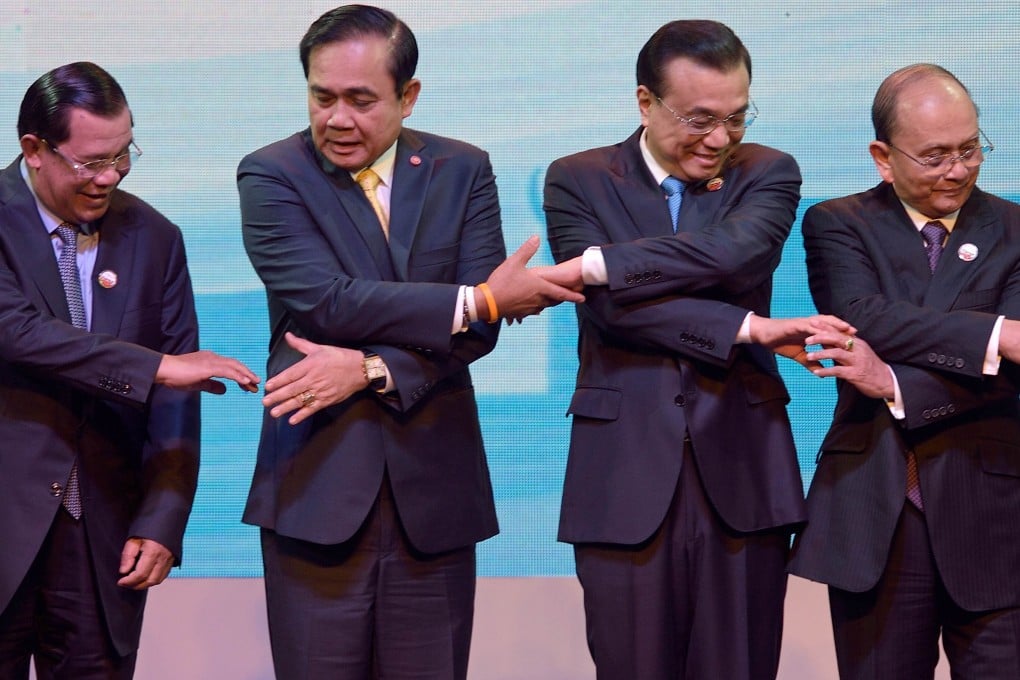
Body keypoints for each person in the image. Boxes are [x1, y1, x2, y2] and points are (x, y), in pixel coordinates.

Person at [236, 5, 582, 678]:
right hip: (318, 485)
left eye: (361, 101)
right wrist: (476, 299)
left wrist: (369, 368)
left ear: (408, 96)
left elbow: (478, 333)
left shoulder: (462, 168)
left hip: (435, 488)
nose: (338, 119)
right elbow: (326, 304)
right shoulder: (272, 174)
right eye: (322, 96)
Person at [542, 20, 854, 680]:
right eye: (700, 119)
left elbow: (738, 254)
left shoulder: (768, 170)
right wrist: (745, 328)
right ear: (645, 103)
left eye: (736, 118)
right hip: (621, 473)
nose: (719, 140)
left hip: (743, 467)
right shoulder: (577, 178)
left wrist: (599, 264)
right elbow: (611, 311)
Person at [0, 61, 259, 679]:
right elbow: (20, 334)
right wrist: (157, 367)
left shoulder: (155, 237)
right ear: (34, 150)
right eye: (92, 162)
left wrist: (163, 519)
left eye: (124, 154)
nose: (110, 176)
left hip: (105, 543)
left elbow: (179, 397)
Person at [790, 63, 1020, 679]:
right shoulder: (838, 223)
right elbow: (862, 316)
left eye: (970, 149)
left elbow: (1014, 377)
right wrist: (996, 334)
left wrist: (893, 382)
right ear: (883, 157)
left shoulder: (1017, 229)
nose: (959, 169)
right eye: (936, 155)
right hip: (877, 510)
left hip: (996, 510)